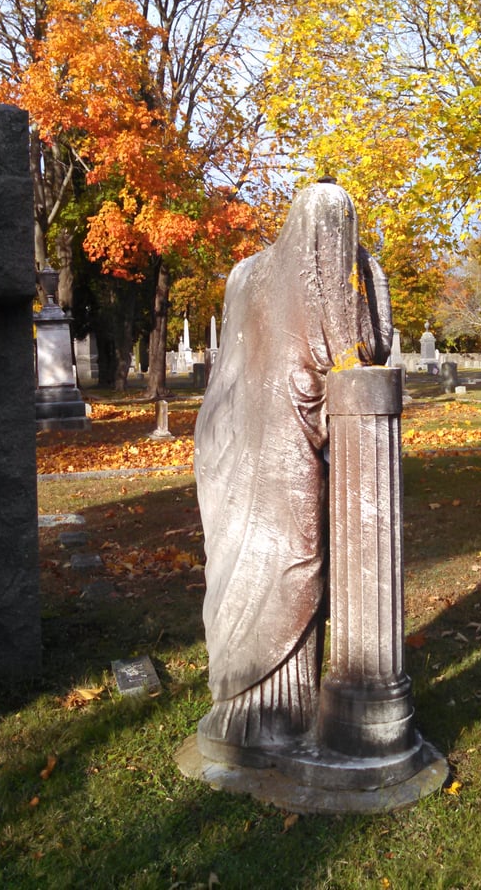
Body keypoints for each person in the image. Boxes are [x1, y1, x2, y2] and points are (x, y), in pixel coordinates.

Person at [194, 180, 392, 753]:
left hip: (227, 443)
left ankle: (253, 708)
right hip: (270, 458)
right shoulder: (333, 279)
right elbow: (361, 352)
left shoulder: (244, 272)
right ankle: (271, 714)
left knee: (248, 566)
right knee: (283, 563)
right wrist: (367, 280)